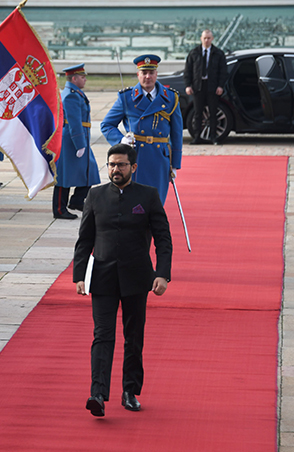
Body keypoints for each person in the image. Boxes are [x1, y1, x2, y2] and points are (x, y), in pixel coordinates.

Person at [72, 143, 172, 417]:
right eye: (112, 164)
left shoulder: (148, 196)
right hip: (102, 277)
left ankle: (130, 391)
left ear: (133, 167)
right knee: (102, 335)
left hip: (137, 277)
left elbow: (163, 238)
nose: (116, 169)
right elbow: (85, 239)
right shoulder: (95, 195)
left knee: (133, 337)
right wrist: (79, 275)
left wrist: (162, 274)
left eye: (122, 165)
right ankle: (97, 394)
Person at [99, 54, 182, 206]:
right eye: (144, 73)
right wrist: (121, 140)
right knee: (135, 204)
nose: (148, 77)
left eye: (151, 73)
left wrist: (175, 164)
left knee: (156, 203)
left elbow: (177, 134)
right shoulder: (127, 98)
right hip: (136, 158)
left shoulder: (170, 98)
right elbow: (107, 125)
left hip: (159, 159)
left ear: (157, 74)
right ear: (138, 74)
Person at [53, 64, 99, 219]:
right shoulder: (71, 95)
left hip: (79, 137)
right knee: (64, 176)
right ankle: (59, 209)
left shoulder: (75, 93)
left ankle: (77, 201)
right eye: (82, 77)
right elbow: (74, 121)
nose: (85, 79)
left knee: (90, 171)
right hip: (71, 140)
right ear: (74, 78)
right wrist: (79, 144)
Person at [183, 30, 228, 144]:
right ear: (201, 39)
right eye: (204, 38)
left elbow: (223, 72)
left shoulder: (218, 53)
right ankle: (197, 137)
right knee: (198, 113)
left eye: (208, 38)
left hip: (212, 87)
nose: (206, 40)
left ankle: (213, 137)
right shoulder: (194, 53)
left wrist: (220, 86)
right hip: (198, 86)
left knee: (213, 113)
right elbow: (188, 70)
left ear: (212, 39)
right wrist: (188, 85)